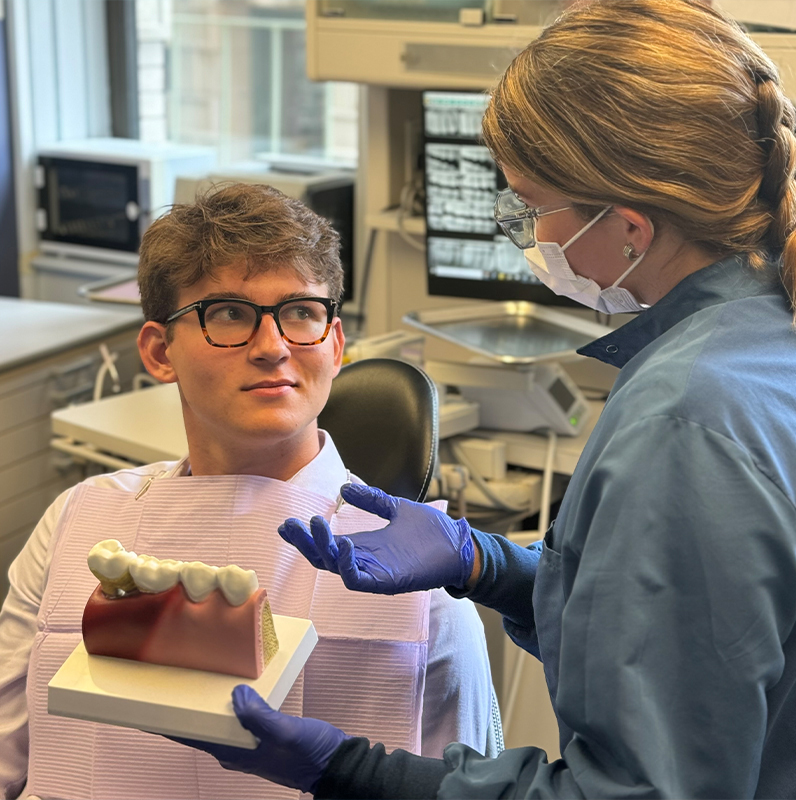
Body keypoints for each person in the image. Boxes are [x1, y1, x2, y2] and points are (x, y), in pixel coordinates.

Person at [170, 1, 796, 798]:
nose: (529, 234)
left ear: (630, 227)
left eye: (534, 208)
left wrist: (354, 770)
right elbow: (701, 635)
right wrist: (488, 563)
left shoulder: (683, 420)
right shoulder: (768, 332)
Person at [0, 183, 497, 800]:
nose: (273, 347)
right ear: (160, 352)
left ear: (335, 344)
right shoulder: (77, 519)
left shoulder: (424, 584)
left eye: (302, 313)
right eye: (229, 313)